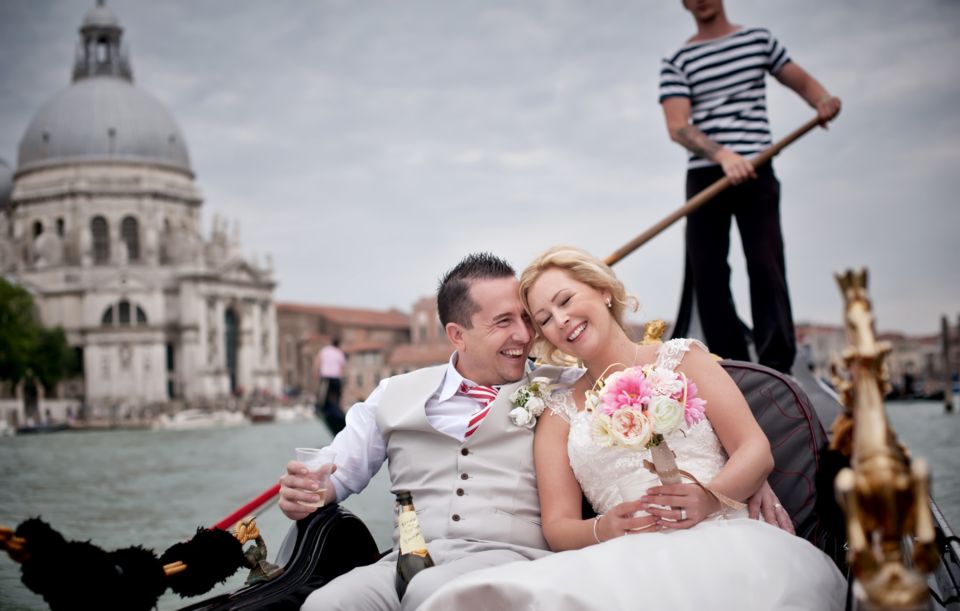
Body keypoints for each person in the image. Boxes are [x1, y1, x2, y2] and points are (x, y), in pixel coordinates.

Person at [279, 252, 790, 611]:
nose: (527, 335)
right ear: (458, 334)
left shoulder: (560, 389)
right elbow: (332, 472)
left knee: (432, 594)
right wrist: (312, 488)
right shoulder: (392, 393)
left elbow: (653, 377)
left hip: (510, 561)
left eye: (530, 320)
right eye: (507, 322)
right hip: (404, 561)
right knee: (326, 603)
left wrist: (732, 477)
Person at [420, 246, 846, 610]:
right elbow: (558, 526)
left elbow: (755, 450)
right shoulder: (558, 413)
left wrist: (709, 498)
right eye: (545, 318)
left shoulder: (683, 360)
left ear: (603, 290)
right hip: (620, 556)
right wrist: (604, 528)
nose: (561, 321)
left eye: (567, 300)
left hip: (723, 534)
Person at [660, 0, 842, 373]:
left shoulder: (758, 41)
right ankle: (729, 364)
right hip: (706, 174)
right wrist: (723, 156)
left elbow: (804, 82)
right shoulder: (676, 60)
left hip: (757, 167)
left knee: (766, 263)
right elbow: (678, 125)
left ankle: (776, 365)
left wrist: (822, 100)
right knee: (707, 270)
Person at [315, 338, 346, 411]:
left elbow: (318, 361)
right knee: (336, 395)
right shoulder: (339, 352)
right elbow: (342, 367)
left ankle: (321, 407)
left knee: (323, 394)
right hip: (336, 377)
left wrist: (316, 372)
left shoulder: (325, 350)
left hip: (325, 375)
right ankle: (337, 408)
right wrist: (341, 377)